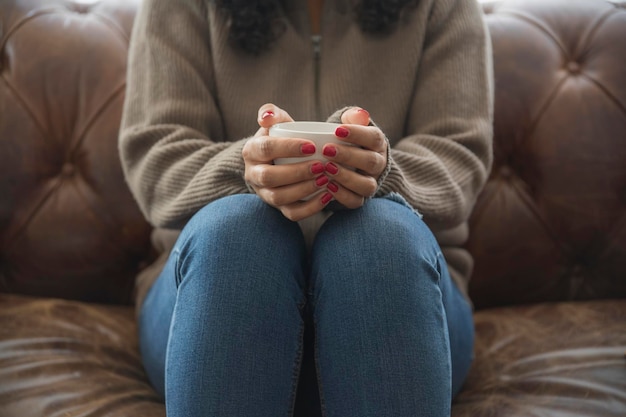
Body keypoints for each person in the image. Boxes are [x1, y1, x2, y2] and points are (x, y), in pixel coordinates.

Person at [119, 0, 493, 415]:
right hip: (213, 297)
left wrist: (374, 167)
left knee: (379, 239)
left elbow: (459, 158)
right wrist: (249, 164)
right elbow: (157, 164)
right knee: (236, 234)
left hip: (403, 300)